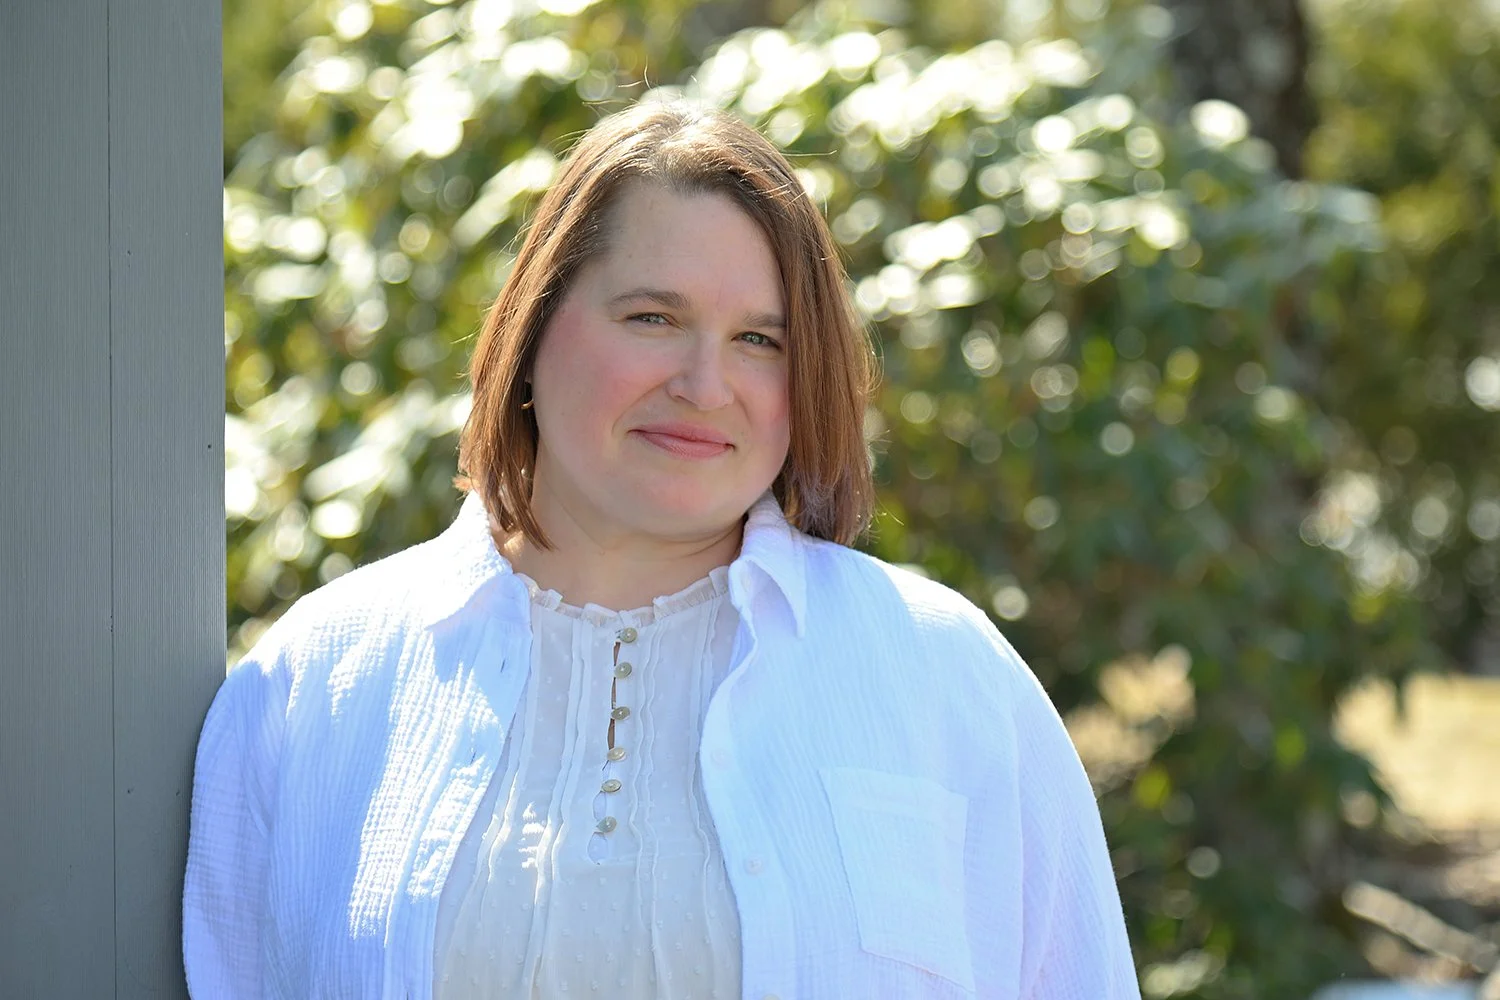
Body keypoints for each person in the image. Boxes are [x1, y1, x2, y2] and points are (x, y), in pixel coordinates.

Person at [183, 101, 1141, 1000]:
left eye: (760, 340)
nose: (704, 384)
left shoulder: (950, 679)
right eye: (654, 318)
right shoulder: (314, 682)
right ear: (532, 328)